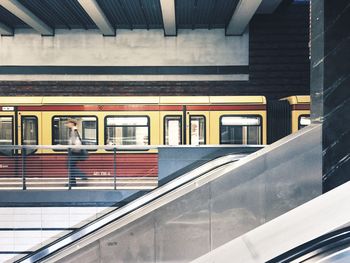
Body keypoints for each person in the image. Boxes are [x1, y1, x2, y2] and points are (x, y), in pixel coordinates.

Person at [66, 119, 87, 186]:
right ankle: (72, 183)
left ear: (72, 123)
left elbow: (73, 141)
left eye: (68, 123)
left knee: (69, 166)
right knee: (71, 166)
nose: (67, 124)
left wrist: (70, 146)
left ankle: (82, 175)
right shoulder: (74, 130)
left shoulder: (74, 130)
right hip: (74, 151)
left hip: (74, 151)